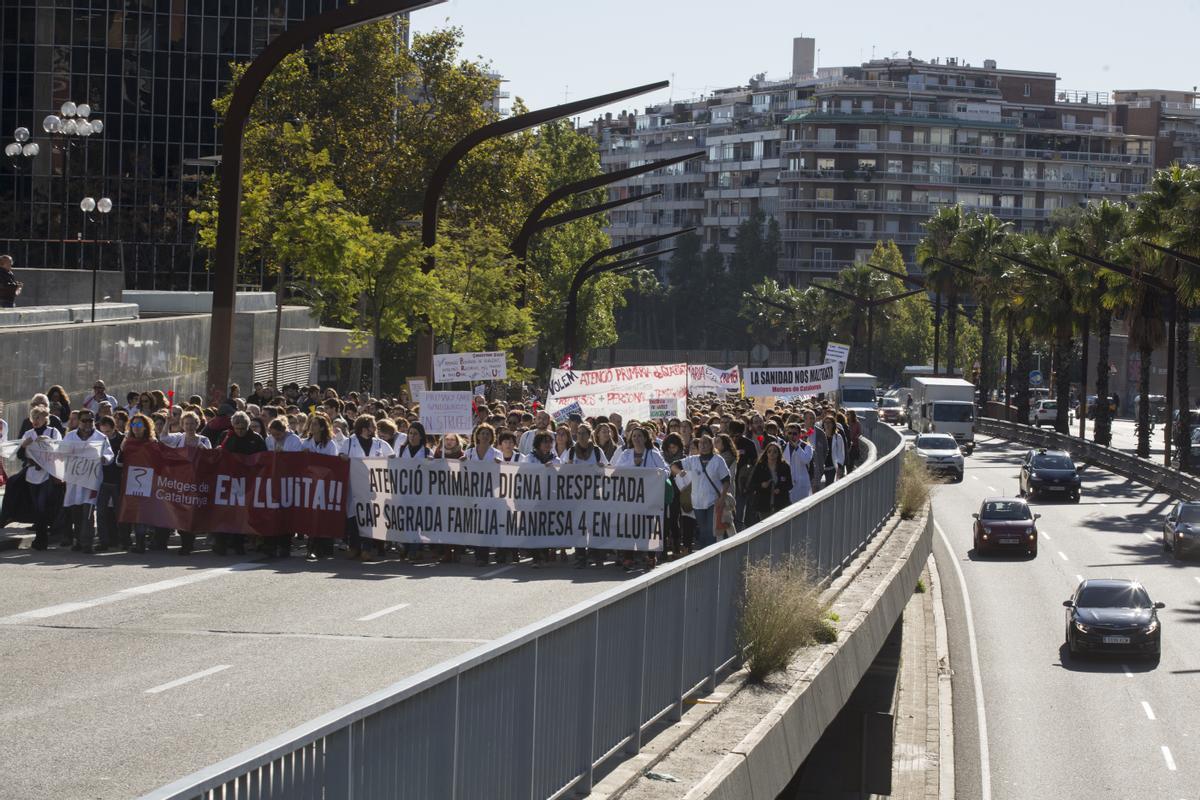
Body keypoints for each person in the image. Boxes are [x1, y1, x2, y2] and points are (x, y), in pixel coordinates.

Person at [60, 409, 115, 554]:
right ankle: (78, 540)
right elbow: (60, 453)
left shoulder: (100, 437)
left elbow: (109, 454)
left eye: (90, 420)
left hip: (92, 482)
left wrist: (104, 459)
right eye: (84, 420)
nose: (87, 423)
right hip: (75, 481)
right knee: (76, 513)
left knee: (88, 512)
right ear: (79, 421)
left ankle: (87, 543)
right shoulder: (70, 437)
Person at [213, 411, 267, 555]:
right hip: (226, 481)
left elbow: (263, 459)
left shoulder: (256, 439)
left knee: (241, 514)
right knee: (223, 512)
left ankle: (238, 544)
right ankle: (221, 543)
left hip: (246, 482)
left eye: (243, 428)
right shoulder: (226, 436)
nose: (240, 431)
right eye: (237, 428)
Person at [342, 414, 392, 561]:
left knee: (370, 517)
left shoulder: (380, 444)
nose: (374, 428)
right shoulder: (350, 442)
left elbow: (393, 457)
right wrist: (343, 458)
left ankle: (367, 548)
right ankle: (354, 546)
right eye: (372, 425)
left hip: (373, 487)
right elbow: (342, 455)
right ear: (364, 427)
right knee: (353, 516)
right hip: (354, 486)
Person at [19, 406, 63, 550]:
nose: (36, 420)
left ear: (45, 418)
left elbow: (59, 450)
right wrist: (24, 446)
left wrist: (47, 442)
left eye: (39, 417)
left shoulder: (53, 432)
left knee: (42, 505)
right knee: (37, 507)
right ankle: (40, 537)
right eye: (34, 417)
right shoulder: (28, 434)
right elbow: (20, 456)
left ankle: (42, 539)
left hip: (46, 474)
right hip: (32, 474)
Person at [678, 435, 732, 550]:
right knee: (702, 530)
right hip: (697, 502)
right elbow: (674, 464)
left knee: (710, 531)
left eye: (706, 443)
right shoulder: (693, 459)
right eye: (700, 443)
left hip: (714, 501)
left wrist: (722, 498)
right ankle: (704, 555)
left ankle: (711, 556)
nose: (702, 445)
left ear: (711, 445)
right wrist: (679, 471)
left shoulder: (718, 460)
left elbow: (726, 480)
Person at [301, 415, 340, 560]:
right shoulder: (305, 444)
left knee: (324, 516)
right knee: (312, 516)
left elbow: (333, 465)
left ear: (323, 427)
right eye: (312, 424)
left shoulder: (330, 445)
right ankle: (311, 547)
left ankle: (325, 548)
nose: (312, 426)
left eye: (316, 424)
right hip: (309, 486)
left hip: (325, 485)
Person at [94, 414, 125, 550]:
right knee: (101, 513)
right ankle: (104, 541)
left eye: (108, 432)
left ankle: (122, 540)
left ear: (114, 428)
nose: (105, 435)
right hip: (103, 481)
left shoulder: (122, 439)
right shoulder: (98, 440)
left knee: (119, 513)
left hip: (118, 481)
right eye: (102, 431)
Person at [748, 441, 793, 522]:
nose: (772, 453)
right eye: (769, 451)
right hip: (764, 504)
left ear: (779, 453)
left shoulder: (784, 466)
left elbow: (790, 485)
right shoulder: (760, 466)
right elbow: (752, 484)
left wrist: (780, 489)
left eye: (775, 451)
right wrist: (761, 485)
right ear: (766, 453)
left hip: (780, 503)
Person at [783, 422, 814, 502]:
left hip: (802, 484)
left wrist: (797, 447)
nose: (792, 436)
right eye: (789, 433)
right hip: (787, 483)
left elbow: (806, 460)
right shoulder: (783, 447)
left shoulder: (806, 447)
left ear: (800, 434)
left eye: (794, 433)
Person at [819, 415, 846, 488]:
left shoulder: (838, 437)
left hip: (832, 466)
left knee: (829, 486)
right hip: (820, 465)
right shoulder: (820, 436)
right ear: (823, 424)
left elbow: (841, 452)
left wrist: (840, 466)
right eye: (825, 423)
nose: (827, 425)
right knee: (817, 487)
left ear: (833, 424)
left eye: (829, 423)